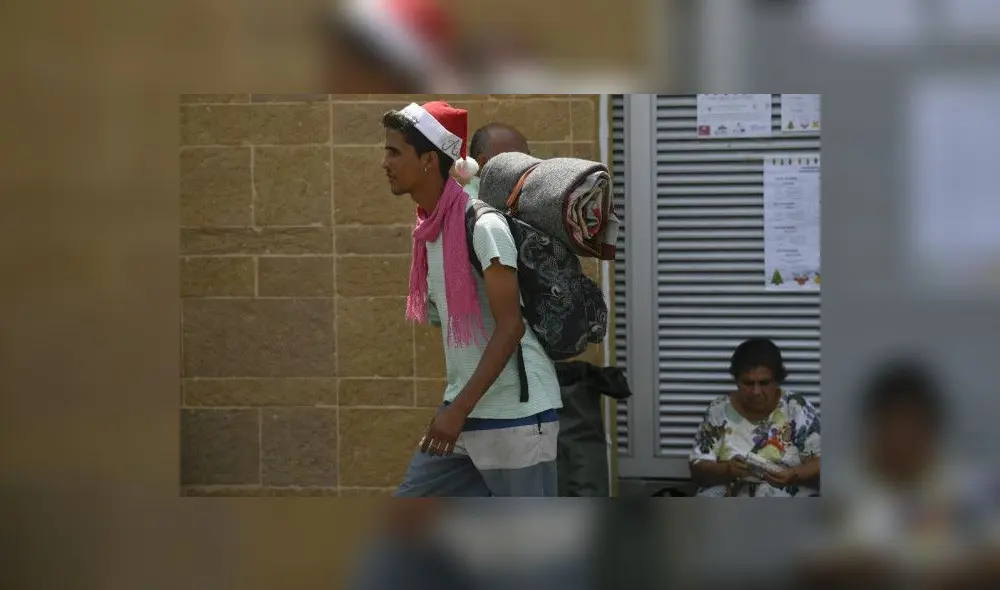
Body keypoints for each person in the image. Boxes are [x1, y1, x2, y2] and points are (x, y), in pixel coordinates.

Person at [381, 101, 562, 497]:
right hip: (464, 412)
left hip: (514, 417)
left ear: (429, 159)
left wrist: (457, 411)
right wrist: (457, 409)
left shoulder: (484, 225)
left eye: (394, 152)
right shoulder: (431, 229)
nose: (385, 163)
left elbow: (510, 327)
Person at [688, 337, 821, 497]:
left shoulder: (796, 408)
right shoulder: (719, 410)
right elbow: (698, 469)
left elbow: (820, 462)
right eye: (748, 383)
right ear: (737, 381)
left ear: (777, 381)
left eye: (764, 383)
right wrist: (727, 470)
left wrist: (792, 474)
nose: (756, 392)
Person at [455, 123, 530, 198]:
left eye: (528, 158)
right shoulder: (470, 199)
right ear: (483, 163)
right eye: (517, 159)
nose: (528, 165)